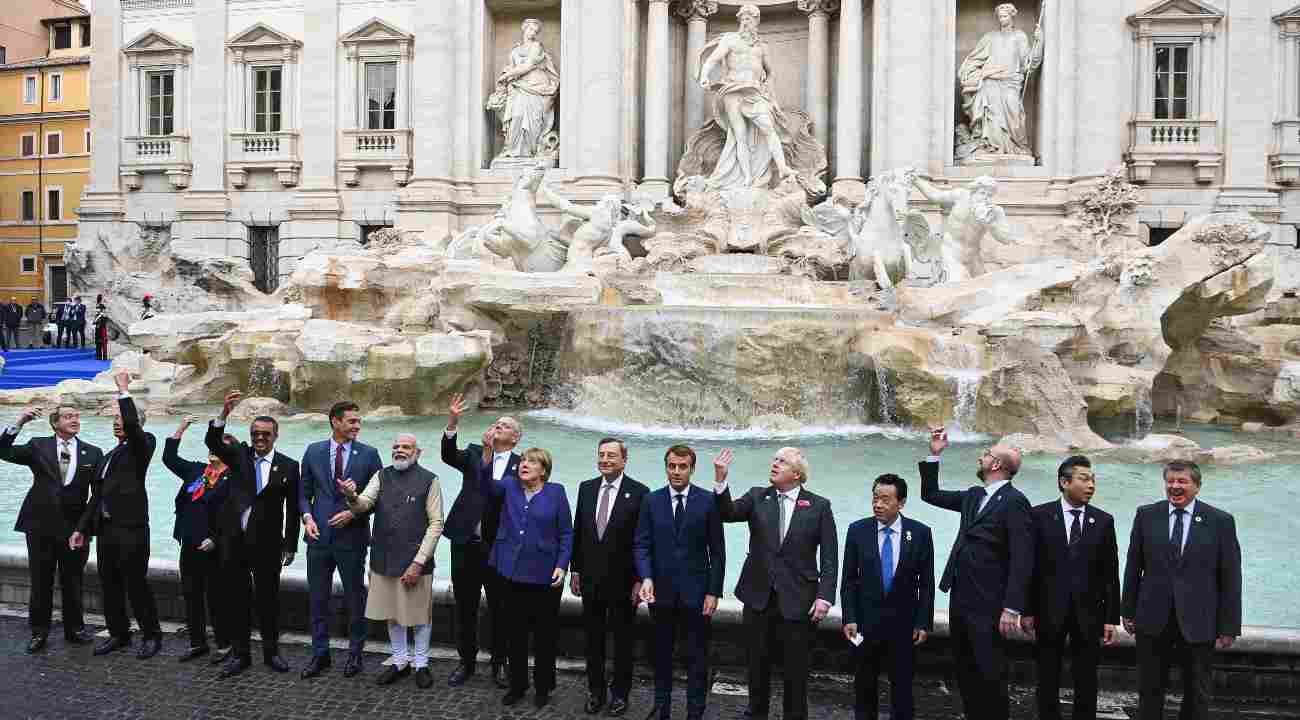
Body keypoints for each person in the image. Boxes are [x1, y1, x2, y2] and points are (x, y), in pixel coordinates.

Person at [711, 447, 838, 720]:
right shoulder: (758, 496)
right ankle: (756, 714)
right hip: (758, 597)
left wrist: (825, 596)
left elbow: (829, 557)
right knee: (757, 666)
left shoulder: (819, 506)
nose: (774, 464)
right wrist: (721, 480)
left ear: (797, 473)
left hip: (798, 600)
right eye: (774, 459)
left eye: (782, 461)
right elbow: (728, 513)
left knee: (796, 671)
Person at [919, 427, 1032, 720]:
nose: (981, 457)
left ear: (996, 465)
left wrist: (1012, 607)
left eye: (986, 454)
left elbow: (1023, 557)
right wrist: (934, 454)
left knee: (990, 672)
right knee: (965, 668)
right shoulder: (972, 495)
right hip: (961, 596)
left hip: (990, 602)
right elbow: (930, 494)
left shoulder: (1015, 501)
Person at [1122, 461, 1242, 720]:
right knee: (1149, 690)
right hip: (1153, 619)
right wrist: (1127, 610)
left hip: (1199, 622)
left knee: (1197, 692)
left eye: (1182, 481)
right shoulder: (1146, 515)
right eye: (1170, 481)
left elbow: (1230, 577)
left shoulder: (1220, 521)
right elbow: (1133, 566)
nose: (1175, 486)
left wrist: (1229, 626)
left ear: (1197, 486)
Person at [207, 391, 301, 677]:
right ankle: (241, 654)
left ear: (276, 435)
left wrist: (291, 545)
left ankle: (272, 653)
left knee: (268, 600)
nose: (260, 438)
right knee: (237, 599)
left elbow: (293, 509)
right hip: (235, 542)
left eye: (265, 434)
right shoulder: (239, 456)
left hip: (268, 544)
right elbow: (213, 441)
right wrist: (223, 414)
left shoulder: (288, 466)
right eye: (255, 433)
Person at [341, 433, 445, 690]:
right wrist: (352, 496)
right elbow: (363, 505)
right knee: (392, 613)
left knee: (420, 615)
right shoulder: (381, 475)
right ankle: (400, 661)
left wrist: (419, 562)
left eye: (406, 447)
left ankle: (421, 664)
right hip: (383, 557)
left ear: (417, 452)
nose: (399, 450)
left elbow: (436, 524)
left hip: (415, 560)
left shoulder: (430, 480)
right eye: (396, 447)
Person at [71, 371, 163, 659]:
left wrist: (124, 391)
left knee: (136, 584)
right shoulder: (109, 456)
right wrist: (81, 529)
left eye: (120, 419)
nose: (116, 423)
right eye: (114, 420)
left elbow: (134, 427)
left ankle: (151, 636)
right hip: (106, 530)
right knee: (108, 585)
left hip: (132, 529)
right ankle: (119, 634)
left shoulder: (143, 444)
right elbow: (95, 498)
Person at [1021, 456, 1121, 720]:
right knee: (1047, 675)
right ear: (1064, 482)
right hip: (1048, 610)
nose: (1091, 485)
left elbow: (1110, 573)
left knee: (1087, 677)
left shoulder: (1103, 521)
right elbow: (1029, 567)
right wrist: (1027, 610)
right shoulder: (1039, 516)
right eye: (1084, 479)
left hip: (1089, 613)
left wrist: (1111, 617)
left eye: (1093, 480)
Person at [477, 437, 572, 708]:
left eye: (532, 462)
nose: (524, 465)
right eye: (522, 461)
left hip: (544, 576)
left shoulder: (556, 492)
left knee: (544, 637)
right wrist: (487, 453)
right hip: (510, 573)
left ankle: (543, 687)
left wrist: (561, 565)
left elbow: (566, 533)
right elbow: (484, 486)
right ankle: (518, 685)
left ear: (544, 470)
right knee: (514, 634)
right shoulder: (508, 486)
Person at [0, 404, 103, 652]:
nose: (75, 420)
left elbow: (96, 496)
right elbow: (2, 451)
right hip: (39, 525)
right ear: (55, 423)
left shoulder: (93, 452)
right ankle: (39, 632)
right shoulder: (37, 445)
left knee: (73, 581)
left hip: (75, 530)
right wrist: (20, 421)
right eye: (68, 417)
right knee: (40, 580)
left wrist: (83, 528)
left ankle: (74, 629)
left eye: (77, 416)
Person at [634, 445, 725, 720]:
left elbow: (718, 552)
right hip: (660, 593)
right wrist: (646, 577)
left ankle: (695, 712)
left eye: (682, 466)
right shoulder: (651, 500)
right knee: (661, 656)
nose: (676, 471)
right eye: (672, 466)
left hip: (696, 595)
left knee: (697, 658)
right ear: (666, 467)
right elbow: (641, 544)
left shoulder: (708, 501)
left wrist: (713, 591)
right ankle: (662, 710)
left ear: (692, 469)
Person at [298, 400, 384, 679]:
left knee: (354, 597)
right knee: (317, 599)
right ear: (335, 421)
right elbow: (304, 493)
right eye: (352, 421)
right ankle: (319, 654)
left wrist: (352, 512)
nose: (357, 426)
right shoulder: (312, 451)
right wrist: (307, 518)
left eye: (359, 422)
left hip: (353, 537)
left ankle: (355, 654)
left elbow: (378, 497)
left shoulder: (370, 455)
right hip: (318, 536)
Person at [841, 473, 935, 720]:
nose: (878, 504)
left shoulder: (921, 533)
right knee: (864, 686)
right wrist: (849, 617)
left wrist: (923, 622)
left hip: (903, 626)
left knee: (902, 689)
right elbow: (849, 580)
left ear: (901, 503)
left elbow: (926, 584)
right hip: (864, 625)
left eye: (885, 499)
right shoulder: (857, 530)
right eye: (875, 498)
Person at [441, 393, 517, 688]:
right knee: (465, 607)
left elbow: (501, 495)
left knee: (500, 608)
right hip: (465, 543)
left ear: (515, 438)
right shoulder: (474, 452)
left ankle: (499, 663)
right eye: (496, 422)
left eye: (505, 424)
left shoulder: (521, 466)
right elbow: (448, 455)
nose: (498, 425)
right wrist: (453, 420)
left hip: (498, 548)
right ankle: (466, 662)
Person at [571, 437, 650, 715]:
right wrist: (575, 569)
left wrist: (641, 579)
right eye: (601, 454)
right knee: (592, 640)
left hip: (624, 583)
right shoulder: (587, 488)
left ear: (624, 460)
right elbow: (579, 531)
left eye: (611, 455)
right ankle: (595, 690)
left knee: (623, 641)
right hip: (591, 580)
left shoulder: (640, 492)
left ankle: (620, 693)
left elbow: (644, 540)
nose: (605, 459)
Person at [162, 415, 231, 663]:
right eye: (213, 447)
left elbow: (234, 516)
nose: (214, 451)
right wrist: (182, 427)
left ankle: (224, 644)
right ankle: (197, 643)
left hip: (215, 548)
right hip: (189, 544)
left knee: (217, 597)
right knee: (191, 595)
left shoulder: (233, 478)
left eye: (221, 446)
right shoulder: (196, 470)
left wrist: (216, 539)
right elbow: (169, 458)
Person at [956, 3, 1043, 162]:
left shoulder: (1019, 37)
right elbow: (973, 60)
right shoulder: (990, 37)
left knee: (1013, 113)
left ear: (1012, 16)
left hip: (1011, 82)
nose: (1002, 19)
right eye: (1000, 17)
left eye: (1005, 16)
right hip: (990, 83)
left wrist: (1039, 43)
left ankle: (1017, 146)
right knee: (991, 117)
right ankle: (991, 147)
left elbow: (1028, 64)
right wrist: (983, 74)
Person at [486, 18, 560, 161]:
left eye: (536, 31)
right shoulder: (515, 49)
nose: (533, 32)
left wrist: (507, 75)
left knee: (532, 120)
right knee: (517, 116)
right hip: (518, 88)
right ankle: (513, 150)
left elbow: (528, 66)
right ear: (524, 29)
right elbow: (512, 66)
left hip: (536, 87)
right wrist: (506, 77)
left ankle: (530, 152)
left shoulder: (537, 47)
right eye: (531, 29)